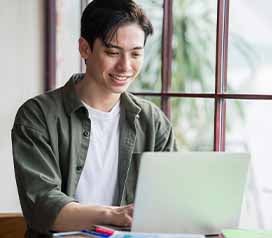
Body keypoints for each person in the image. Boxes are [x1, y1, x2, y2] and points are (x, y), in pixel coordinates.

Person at [11, 0, 176, 237]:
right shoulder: (37, 116)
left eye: (136, 54)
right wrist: (113, 215)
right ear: (84, 48)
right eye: (112, 52)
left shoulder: (153, 121)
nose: (125, 66)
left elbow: (171, 200)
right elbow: (44, 207)